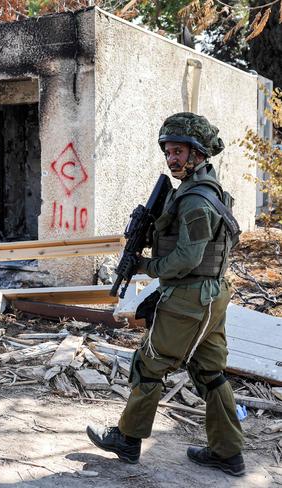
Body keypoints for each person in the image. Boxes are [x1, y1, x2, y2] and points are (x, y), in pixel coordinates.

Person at [86, 113, 245, 476]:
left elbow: (188, 257)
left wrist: (147, 268)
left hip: (191, 296)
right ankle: (227, 453)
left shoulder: (195, 200)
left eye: (179, 151)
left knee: (148, 364)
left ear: (198, 153)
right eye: (168, 152)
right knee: (209, 371)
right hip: (208, 296)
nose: (172, 158)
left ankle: (127, 439)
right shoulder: (202, 189)